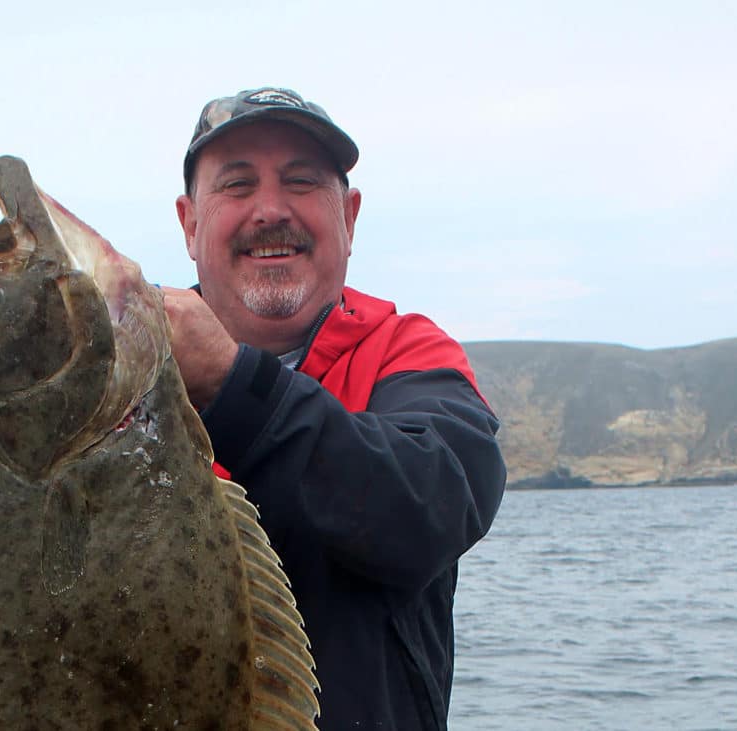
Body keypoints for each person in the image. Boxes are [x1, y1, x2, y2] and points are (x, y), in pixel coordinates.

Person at [160, 87, 506, 730]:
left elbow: (430, 506)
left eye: (301, 182)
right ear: (189, 223)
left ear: (348, 216)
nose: (270, 210)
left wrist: (235, 388)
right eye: (237, 185)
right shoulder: (128, 380)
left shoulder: (405, 352)